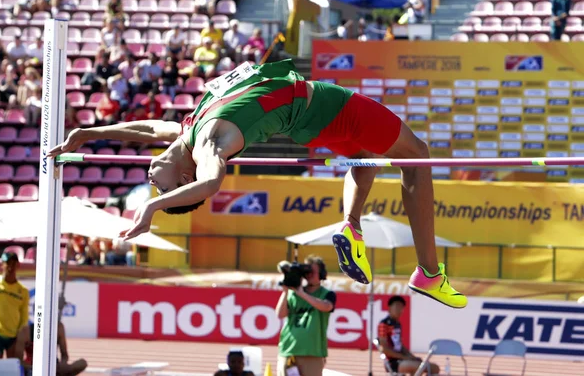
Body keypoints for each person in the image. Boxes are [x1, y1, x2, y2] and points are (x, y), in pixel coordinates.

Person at [48, 59, 467, 309]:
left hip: (311, 123)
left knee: (366, 158)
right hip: (329, 106)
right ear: (184, 176)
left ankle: (351, 226)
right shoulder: (209, 146)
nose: (151, 180)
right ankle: (429, 272)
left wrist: (88, 134)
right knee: (417, 157)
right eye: (163, 189)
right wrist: (153, 209)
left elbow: (145, 128)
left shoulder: (190, 131)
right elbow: (211, 183)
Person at [275, 255, 334, 376]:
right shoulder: (293, 294)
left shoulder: (327, 294)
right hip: (288, 349)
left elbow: (326, 306)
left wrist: (301, 293)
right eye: (307, 271)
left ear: (322, 274)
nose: (309, 274)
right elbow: (280, 314)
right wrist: (286, 291)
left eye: (313, 271)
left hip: (312, 352)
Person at [0, 251, 30, 359]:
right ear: (2, 264)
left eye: (14, 263)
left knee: (12, 367)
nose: (11, 266)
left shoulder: (23, 291)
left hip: (13, 336)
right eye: (8, 263)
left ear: (18, 265)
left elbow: (24, 316)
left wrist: (21, 335)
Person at [377, 296, 439, 375]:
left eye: (401, 307)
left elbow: (400, 346)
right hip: (393, 362)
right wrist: (404, 357)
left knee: (435, 368)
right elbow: (384, 349)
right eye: (396, 306)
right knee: (421, 367)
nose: (399, 310)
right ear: (389, 308)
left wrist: (412, 357)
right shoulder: (384, 324)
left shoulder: (397, 324)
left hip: (403, 359)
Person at [14, 319, 88, 376]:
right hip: (32, 368)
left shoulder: (59, 328)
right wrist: (33, 368)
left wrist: (63, 363)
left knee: (82, 363)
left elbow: (64, 355)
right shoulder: (25, 332)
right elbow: (18, 361)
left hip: (54, 367)